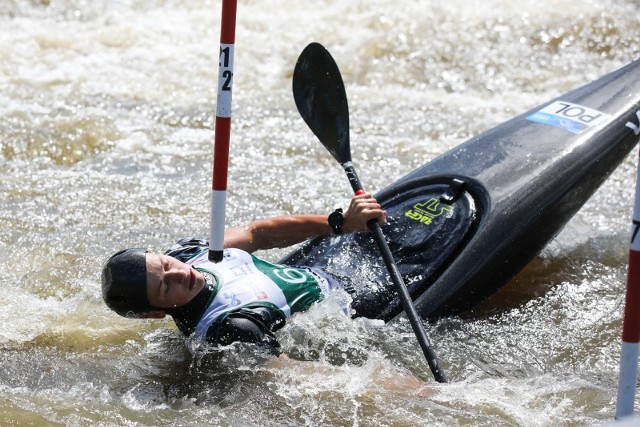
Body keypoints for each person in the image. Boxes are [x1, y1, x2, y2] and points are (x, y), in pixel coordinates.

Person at [101, 193, 387, 354]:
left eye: (165, 264)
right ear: (155, 313)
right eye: (165, 288)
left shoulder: (189, 253)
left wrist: (340, 223)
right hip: (363, 311)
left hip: (326, 271)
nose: (177, 273)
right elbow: (291, 372)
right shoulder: (226, 329)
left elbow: (257, 234)